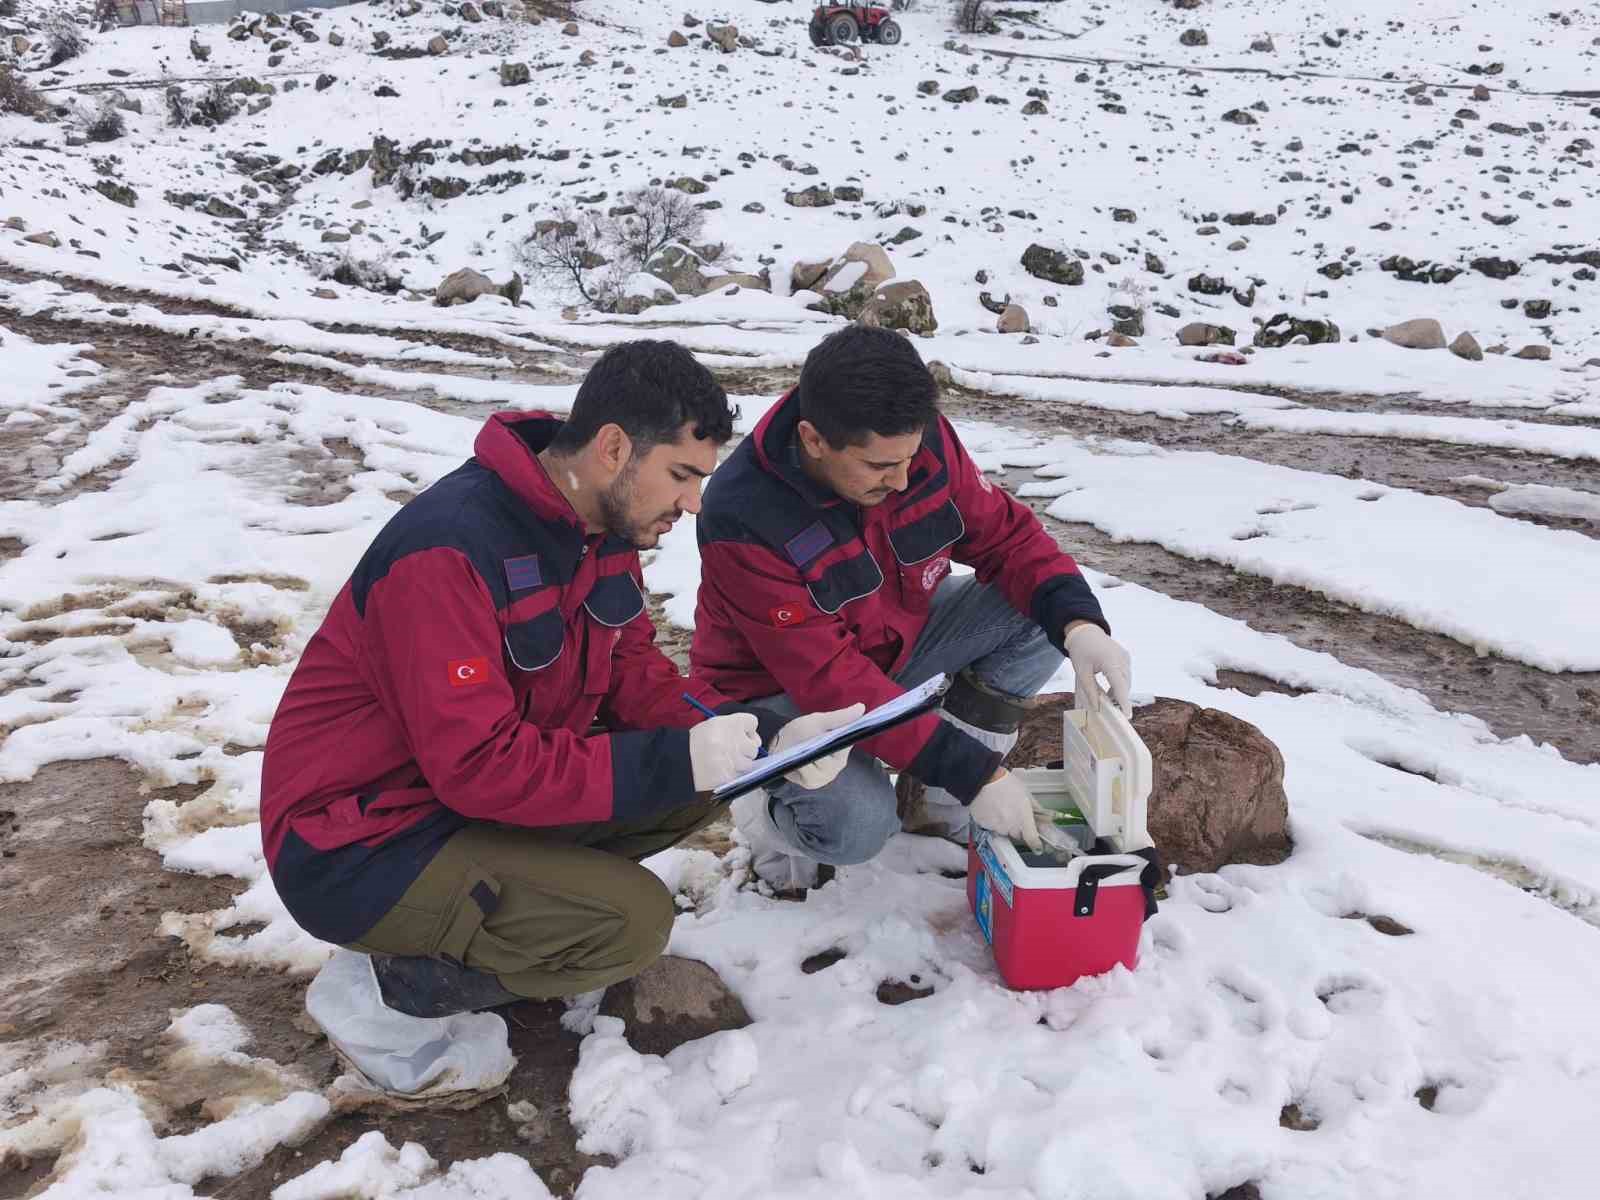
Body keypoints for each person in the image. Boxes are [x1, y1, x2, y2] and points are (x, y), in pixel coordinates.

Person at [260, 340, 858, 1098]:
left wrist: (760, 743)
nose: (695, 503)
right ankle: (388, 990)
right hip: (358, 844)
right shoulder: (450, 549)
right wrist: (680, 758)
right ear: (614, 448)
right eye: (681, 475)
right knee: (632, 925)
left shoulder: (600, 531)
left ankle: (498, 910)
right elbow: (478, 764)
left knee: (699, 777)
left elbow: (635, 672)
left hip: (451, 803)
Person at [690, 325, 1134, 891]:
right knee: (857, 825)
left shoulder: (912, 445)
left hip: (892, 644)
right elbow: (829, 678)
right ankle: (768, 808)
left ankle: (934, 801)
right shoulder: (742, 515)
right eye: (879, 468)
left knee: (1038, 613)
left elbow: (1007, 540)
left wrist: (1080, 624)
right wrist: (978, 772)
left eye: (910, 456)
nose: (903, 479)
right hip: (783, 701)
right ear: (814, 438)